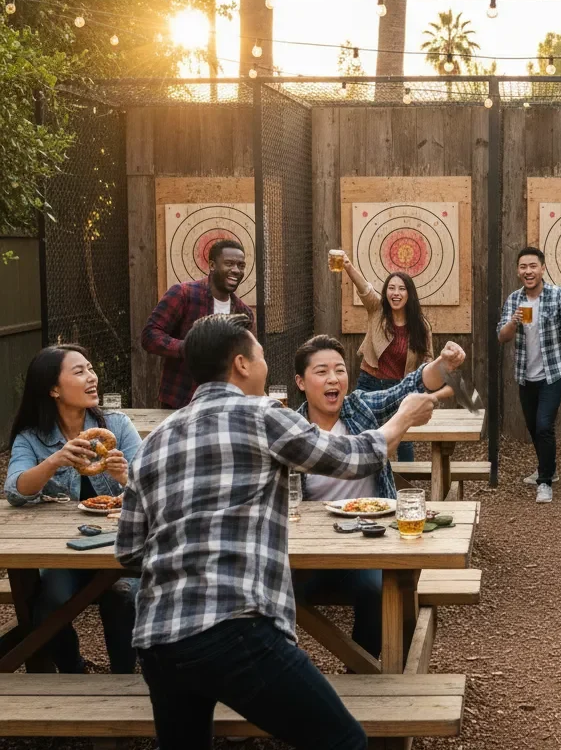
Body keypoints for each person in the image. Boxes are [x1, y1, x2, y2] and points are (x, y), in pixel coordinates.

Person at [116, 314, 436, 750]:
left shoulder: (156, 438)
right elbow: (351, 458)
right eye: (263, 357)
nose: (266, 367)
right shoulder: (261, 413)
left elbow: (129, 550)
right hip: (234, 626)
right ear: (242, 364)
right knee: (344, 741)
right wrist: (401, 419)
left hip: (157, 638)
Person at [291, 333, 463, 657]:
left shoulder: (358, 408)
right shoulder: (291, 429)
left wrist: (441, 364)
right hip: (308, 552)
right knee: (272, 592)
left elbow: (404, 390)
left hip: (366, 541)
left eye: (340, 370)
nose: (333, 379)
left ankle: (363, 668)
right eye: (322, 371)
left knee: (379, 589)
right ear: (301, 382)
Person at [4, 344, 140, 674]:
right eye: (79, 372)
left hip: (121, 548)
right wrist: (55, 460)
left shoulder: (117, 426)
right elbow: (15, 490)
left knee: (121, 596)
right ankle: (72, 670)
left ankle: (123, 677)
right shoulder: (32, 438)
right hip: (66, 551)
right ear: (52, 388)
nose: (92, 377)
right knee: (49, 603)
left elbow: (155, 486)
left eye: (91, 369)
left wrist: (125, 476)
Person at [497, 246, 561, 503]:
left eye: (533, 266)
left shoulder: (559, 296)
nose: (528, 271)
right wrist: (513, 321)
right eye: (523, 267)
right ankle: (550, 467)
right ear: (518, 271)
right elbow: (502, 337)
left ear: (543, 268)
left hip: (553, 371)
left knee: (544, 424)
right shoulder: (514, 300)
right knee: (534, 427)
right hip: (526, 374)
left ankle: (544, 480)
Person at [335, 250, 433, 463]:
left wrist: (426, 380)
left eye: (401, 289)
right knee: (358, 432)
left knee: (403, 439)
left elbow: (428, 358)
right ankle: (359, 478)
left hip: (399, 388)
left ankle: (407, 487)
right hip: (369, 383)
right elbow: (364, 289)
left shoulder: (420, 326)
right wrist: (347, 266)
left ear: (409, 294)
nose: (395, 293)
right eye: (391, 288)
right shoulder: (377, 310)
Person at [142, 237, 255, 409]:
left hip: (225, 404)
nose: (236, 270)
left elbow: (247, 359)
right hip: (181, 401)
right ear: (212, 265)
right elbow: (150, 335)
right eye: (229, 263)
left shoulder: (243, 312)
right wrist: (188, 348)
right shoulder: (184, 294)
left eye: (241, 266)